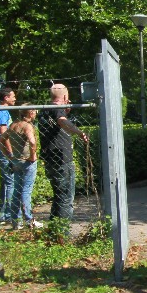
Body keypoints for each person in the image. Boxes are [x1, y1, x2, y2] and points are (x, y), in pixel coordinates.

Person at [37, 83, 88, 222]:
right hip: (62, 160)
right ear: (65, 97)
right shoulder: (57, 109)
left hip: (50, 159)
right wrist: (79, 132)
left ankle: (55, 229)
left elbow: (56, 122)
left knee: (59, 196)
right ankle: (63, 230)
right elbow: (61, 121)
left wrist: (66, 112)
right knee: (66, 198)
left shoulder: (44, 110)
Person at [1, 109, 39, 225]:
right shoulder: (27, 126)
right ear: (30, 113)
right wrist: (32, 156)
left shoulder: (13, 125)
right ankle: (29, 220)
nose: (36, 113)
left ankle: (16, 222)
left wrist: (9, 156)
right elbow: (32, 142)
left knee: (17, 191)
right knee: (26, 191)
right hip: (27, 162)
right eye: (35, 111)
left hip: (16, 161)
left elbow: (0, 140)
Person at [0, 85, 16, 224]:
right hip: (4, 153)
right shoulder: (2, 112)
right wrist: (10, 153)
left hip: (0, 152)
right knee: (11, 182)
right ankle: (9, 215)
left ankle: (0, 213)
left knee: (5, 182)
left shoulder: (0, 111)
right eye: (13, 96)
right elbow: (3, 133)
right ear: (6, 98)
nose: (15, 98)